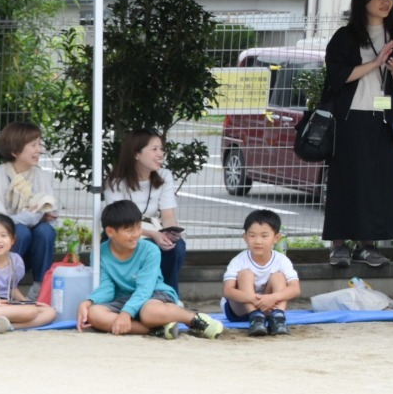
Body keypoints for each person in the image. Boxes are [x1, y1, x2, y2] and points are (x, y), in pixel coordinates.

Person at [322, 0, 393, 270]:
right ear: (364, 0)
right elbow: (338, 77)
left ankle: (367, 246)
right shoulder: (345, 37)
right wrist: (376, 62)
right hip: (349, 118)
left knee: (378, 183)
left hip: (384, 120)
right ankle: (339, 244)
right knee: (346, 180)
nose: (386, 2)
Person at [79, 199, 225, 339]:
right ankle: (155, 329)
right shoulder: (99, 253)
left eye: (138, 227)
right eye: (130, 230)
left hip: (153, 294)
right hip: (123, 298)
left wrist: (126, 314)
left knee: (149, 313)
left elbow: (145, 287)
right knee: (93, 314)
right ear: (110, 232)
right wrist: (88, 302)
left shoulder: (150, 249)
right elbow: (107, 287)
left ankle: (194, 319)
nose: (136, 234)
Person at [0, 122, 60, 289]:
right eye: (33, 145)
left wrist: (45, 215)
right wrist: (23, 218)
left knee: (45, 230)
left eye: (39, 144)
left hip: (26, 251)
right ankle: (3, 288)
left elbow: (50, 212)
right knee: (21, 230)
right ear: (15, 151)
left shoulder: (40, 176)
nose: (39, 150)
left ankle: (40, 288)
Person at [105, 130, 186, 293]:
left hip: (154, 229)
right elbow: (119, 223)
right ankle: (148, 294)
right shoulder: (115, 182)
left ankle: (169, 295)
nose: (160, 154)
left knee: (176, 246)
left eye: (161, 149)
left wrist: (170, 233)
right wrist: (154, 235)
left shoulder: (164, 176)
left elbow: (168, 215)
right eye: (154, 149)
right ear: (136, 154)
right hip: (124, 233)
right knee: (150, 247)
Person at [222, 208, 301, 335]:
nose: (258, 241)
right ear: (245, 237)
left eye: (264, 236)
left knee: (279, 276)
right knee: (245, 274)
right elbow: (228, 290)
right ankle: (255, 318)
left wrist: (272, 297)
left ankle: (278, 318)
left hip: (269, 307)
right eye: (252, 236)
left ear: (276, 238)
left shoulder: (281, 260)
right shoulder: (239, 261)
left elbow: (295, 289)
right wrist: (254, 299)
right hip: (240, 310)